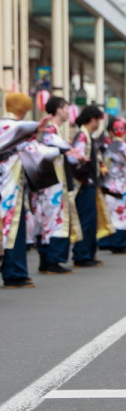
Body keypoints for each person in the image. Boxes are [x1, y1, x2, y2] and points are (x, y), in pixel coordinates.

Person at [1, 93, 52, 289]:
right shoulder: (13, 128)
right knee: (13, 231)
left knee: (9, 232)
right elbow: (37, 151)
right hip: (9, 189)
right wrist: (60, 150)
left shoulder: (11, 129)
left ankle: (13, 270)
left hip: (7, 185)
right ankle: (14, 272)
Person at [33, 96, 80, 274]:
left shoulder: (53, 130)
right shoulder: (50, 130)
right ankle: (52, 260)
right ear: (59, 110)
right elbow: (56, 148)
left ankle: (47, 260)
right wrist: (70, 150)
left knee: (48, 221)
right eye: (67, 108)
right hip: (53, 184)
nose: (69, 112)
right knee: (55, 221)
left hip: (50, 183)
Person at [70, 104, 106, 268]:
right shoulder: (83, 137)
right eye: (98, 120)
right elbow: (77, 160)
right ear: (93, 119)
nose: (99, 123)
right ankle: (82, 254)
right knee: (86, 220)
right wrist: (85, 178)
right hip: (84, 185)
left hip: (90, 183)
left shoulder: (86, 136)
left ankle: (88, 253)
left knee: (90, 220)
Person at [98, 117, 126, 254]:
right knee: (118, 215)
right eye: (117, 128)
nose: (120, 131)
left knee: (111, 213)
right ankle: (118, 243)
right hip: (119, 186)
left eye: (122, 128)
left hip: (112, 184)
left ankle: (108, 241)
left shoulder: (106, 147)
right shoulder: (123, 147)